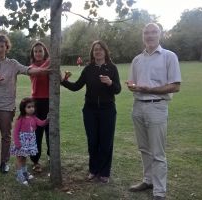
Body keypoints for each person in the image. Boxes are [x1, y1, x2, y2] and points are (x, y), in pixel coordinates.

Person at [0, 33, 49, 175]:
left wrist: (45, 69)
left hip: (7, 106)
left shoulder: (13, 64)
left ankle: (4, 162)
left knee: (6, 136)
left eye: (2, 46)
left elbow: (28, 70)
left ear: (7, 47)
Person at [126, 23, 181, 200]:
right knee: (144, 148)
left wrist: (148, 89)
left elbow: (175, 86)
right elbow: (132, 84)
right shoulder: (137, 59)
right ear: (143, 36)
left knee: (158, 152)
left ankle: (159, 191)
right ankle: (148, 180)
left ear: (160, 34)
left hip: (157, 106)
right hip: (138, 107)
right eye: (146, 33)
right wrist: (134, 87)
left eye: (153, 32)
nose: (150, 35)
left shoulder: (169, 56)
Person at [61, 40, 121, 183]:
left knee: (106, 142)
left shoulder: (112, 68)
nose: (98, 52)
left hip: (108, 110)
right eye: (95, 50)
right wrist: (62, 81)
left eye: (100, 49)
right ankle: (93, 170)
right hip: (90, 110)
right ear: (92, 53)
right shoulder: (88, 69)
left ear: (105, 51)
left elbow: (118, 90)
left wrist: (110, 83)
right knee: (92, 141)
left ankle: (104, 172)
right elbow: (76, 86)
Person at [10, 97, 49, 185]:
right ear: (23, 108)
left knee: (24, 158)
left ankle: (24, 173)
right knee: (20, 158)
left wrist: (47, 119)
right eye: (28, 107)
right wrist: (17, 143)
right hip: (21, 142)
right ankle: (19, 176)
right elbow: (15, 131)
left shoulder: (34, 117)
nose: (31, 108)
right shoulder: (21, 119)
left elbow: (41, 123)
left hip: (29, 141)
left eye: (32, 107)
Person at [29, 41, 50, 173]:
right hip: (36, 103)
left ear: (44, 52)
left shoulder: (50, 64)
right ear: (33, 54)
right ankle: (35, 160)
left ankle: (51, 155)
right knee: (36, 133)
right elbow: (40, 72)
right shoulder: (30, 67)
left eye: (40, 51)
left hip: (49, 101)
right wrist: (51, 60)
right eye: (35, 51)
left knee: (50, 131)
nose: (38, 53)